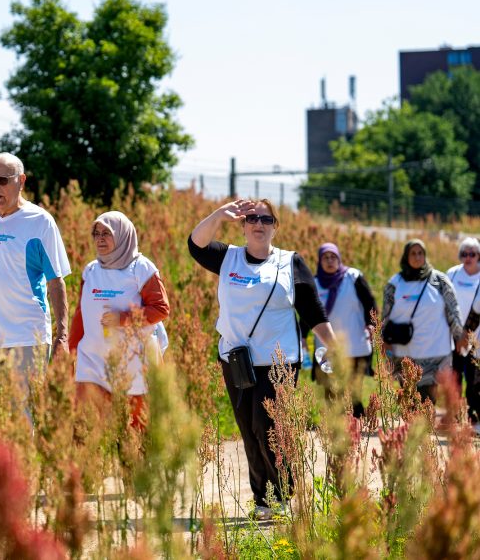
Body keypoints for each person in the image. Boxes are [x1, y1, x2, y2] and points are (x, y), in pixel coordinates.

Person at [188, 199, 336, 521]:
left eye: (266, 219)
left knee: (267, 425)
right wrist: (219, 214)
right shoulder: (228, 258)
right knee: (249, 430)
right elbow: (195, 245)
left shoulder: (289, 263)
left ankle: (283, 493)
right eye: (252, 218)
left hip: (278, 360)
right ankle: (263, 499)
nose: (258, 224)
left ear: (275, 227)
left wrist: (335, 347)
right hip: (236, 360)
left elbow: (312, 311)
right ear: (242, 226)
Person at [0, 152, 71, 385]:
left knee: (23, 408)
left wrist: (62, 335)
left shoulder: (40, 221)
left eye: (2, 180)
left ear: (21, 181)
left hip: (28, 336)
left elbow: (56, 282)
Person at [69, 211, 169, 432]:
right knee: (89, 430)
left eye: (107, 233)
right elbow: (80, 315)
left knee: (135, 432)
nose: (100, 239)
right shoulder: (91, 270)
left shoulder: (141, 268)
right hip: (92, 361)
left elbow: (161, 309)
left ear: (123, 235)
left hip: (132, 363)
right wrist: (70, 353)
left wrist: (123, 319)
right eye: (96, 234)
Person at [383, 239, 464, 405]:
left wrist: (459, 335)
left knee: (427, 401)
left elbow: (453, 310)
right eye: (413, 253)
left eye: (420, 253)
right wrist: (383, 340)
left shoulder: (439, 281)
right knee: (408, 399)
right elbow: (385, 315)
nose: (417, 257)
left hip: (434, 353)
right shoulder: (395, 283)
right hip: (404, 353)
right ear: (406, 256)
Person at [313, 242, 377, 417]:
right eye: (325, 257)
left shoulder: (353, 277)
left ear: (339, 259)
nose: (330, 261)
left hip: (355, 345)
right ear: (319, 261)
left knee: (353, 391)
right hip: (327, 346)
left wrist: (371, 324)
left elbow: (369, 302)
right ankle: (334, 424)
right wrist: (303, 336)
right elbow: (308, 313)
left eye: (333, 257)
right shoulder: (315, 283)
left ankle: (356, 423)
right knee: (331, 390)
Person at [446, 237, 480, 429]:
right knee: (454, 374)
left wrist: (467, 336)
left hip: (476, 337)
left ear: (478, 256)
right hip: (453, 334)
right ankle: (453, 412)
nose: (468, 257)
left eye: (472, 254)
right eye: (464, 254)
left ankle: (472, 413)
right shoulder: (452, 274)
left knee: (474, 376)